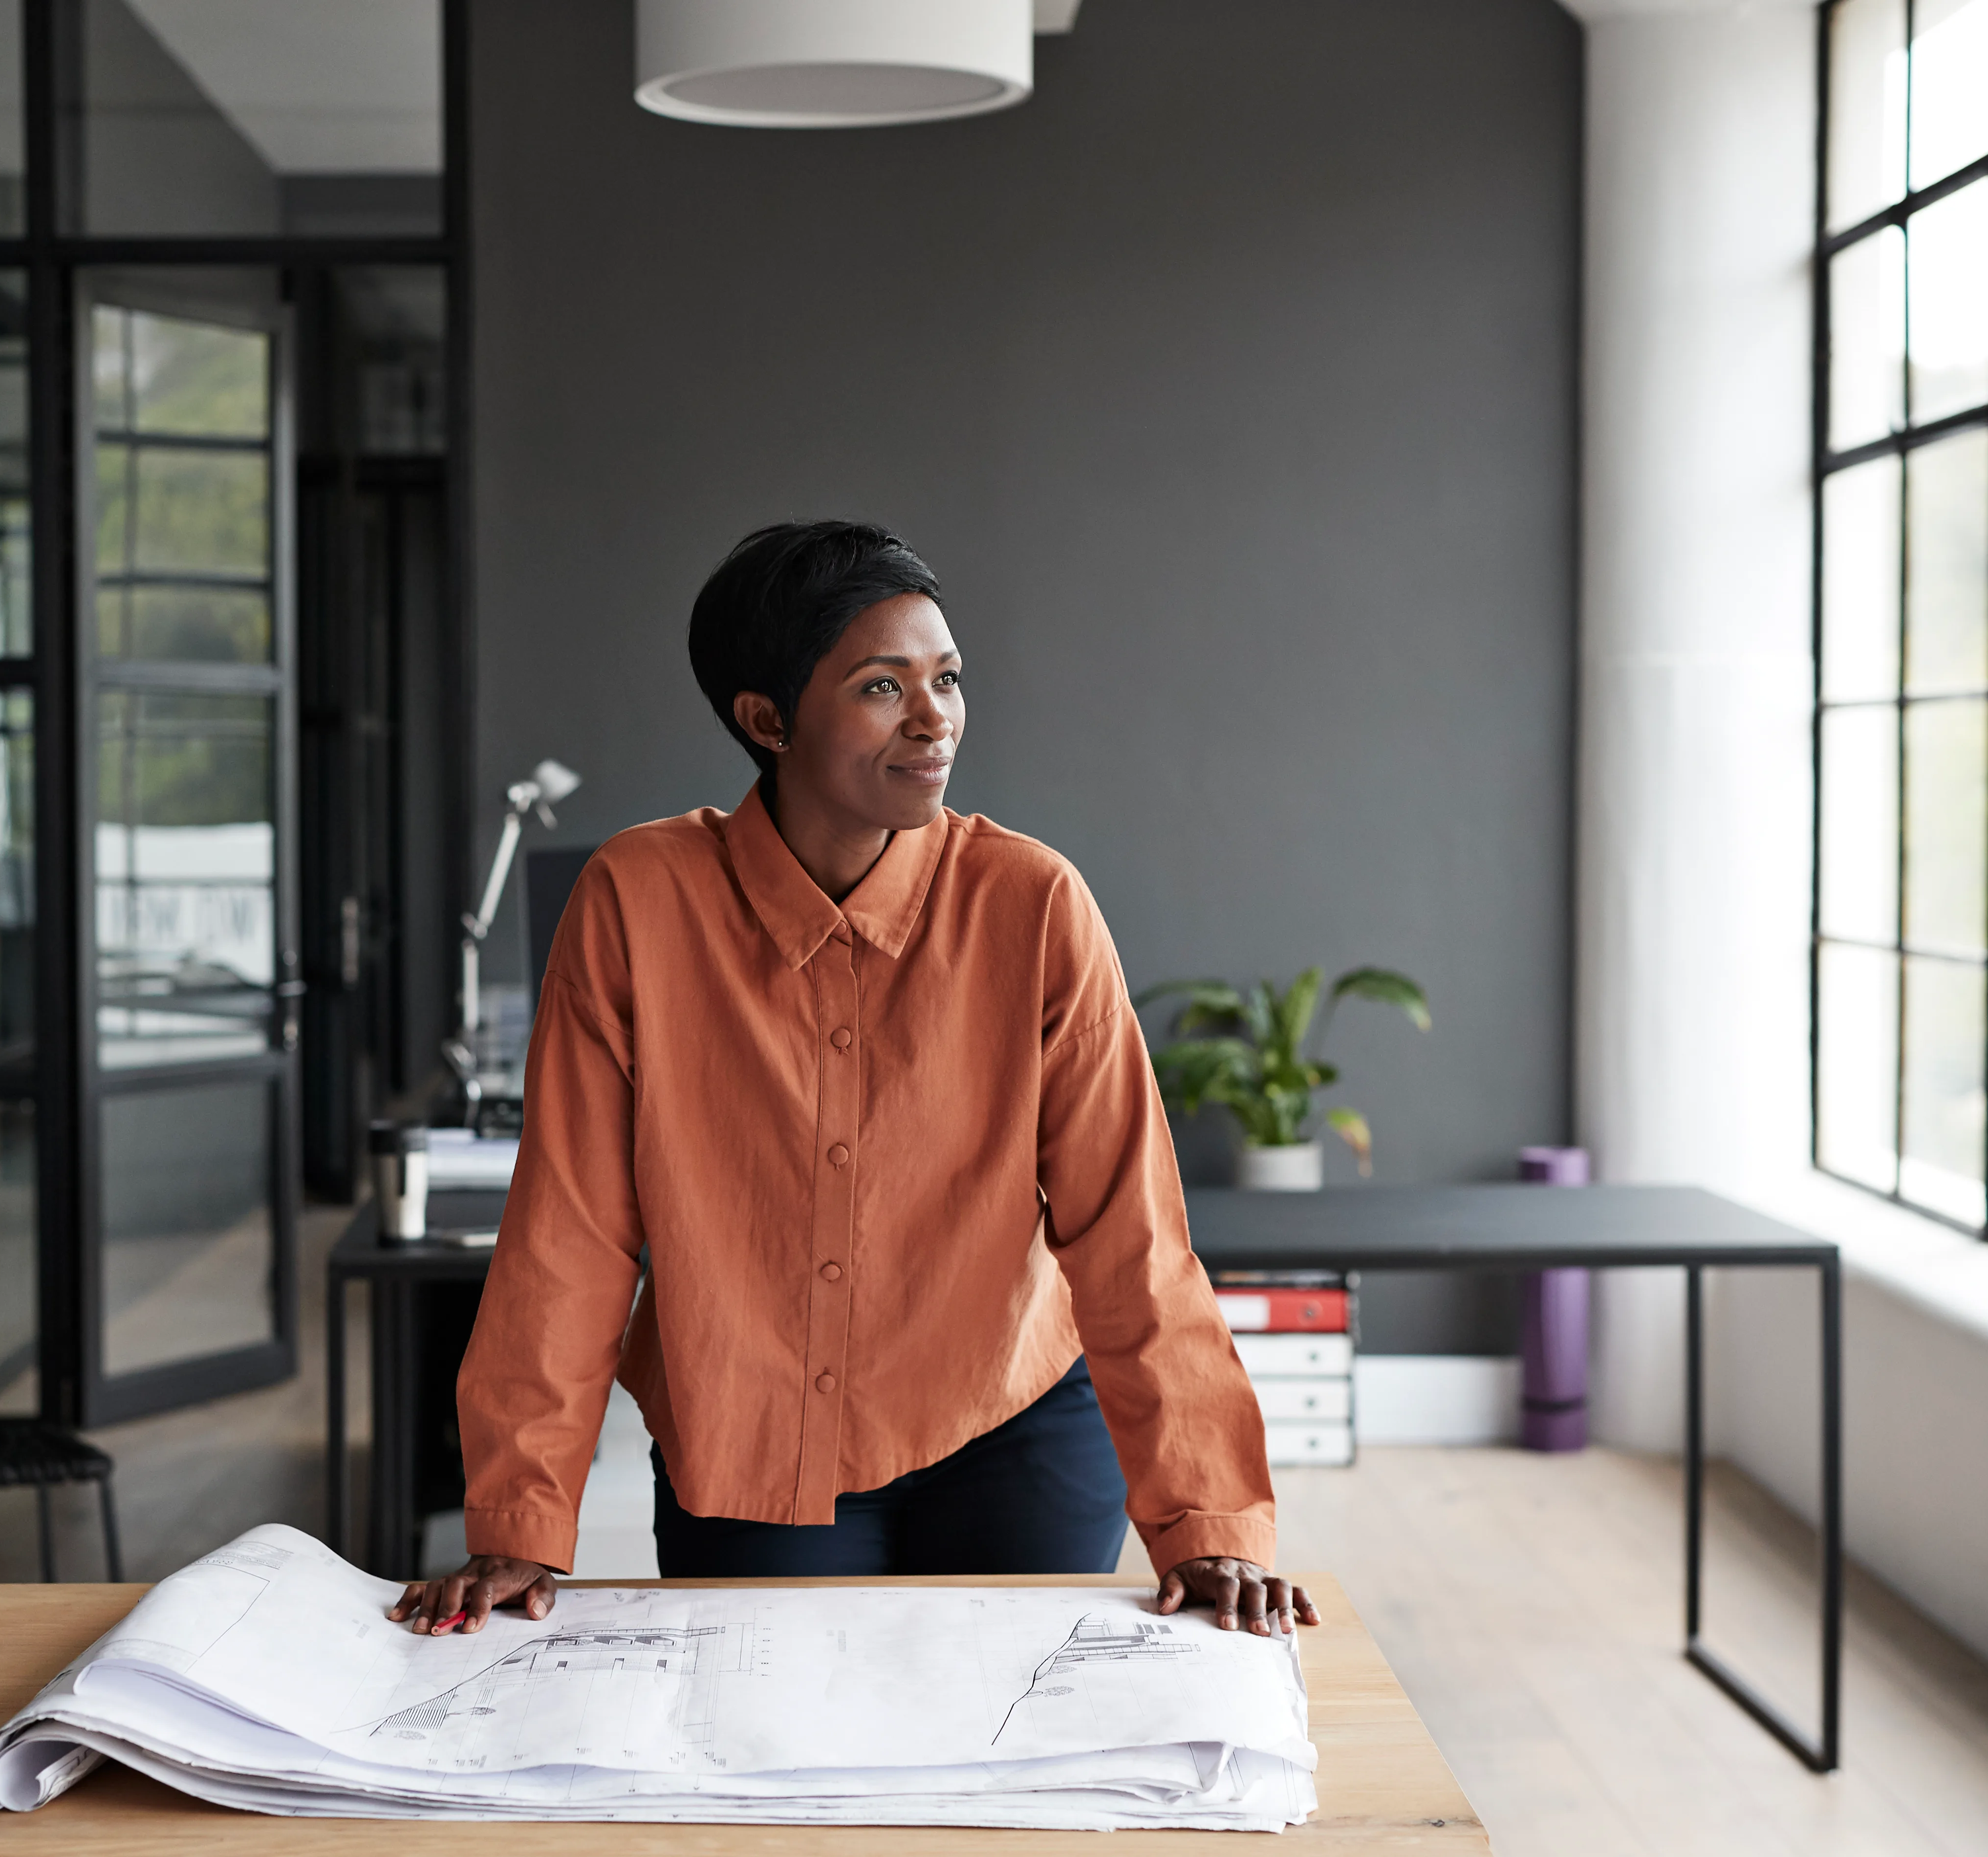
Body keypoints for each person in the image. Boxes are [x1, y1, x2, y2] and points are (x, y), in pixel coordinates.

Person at [390, 520, 1312, 1641]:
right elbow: (571, 1226)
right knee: (775, 1769)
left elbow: (1133, 1232)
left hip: (1010, 1422)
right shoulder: (635, 901)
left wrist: (1209, 1516)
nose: (936, 720)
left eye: (949, 678)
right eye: (884, 686)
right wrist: (518, 1521)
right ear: (766, 719)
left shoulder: (1034, 905)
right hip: (747, 1433)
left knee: (1003, 1769)